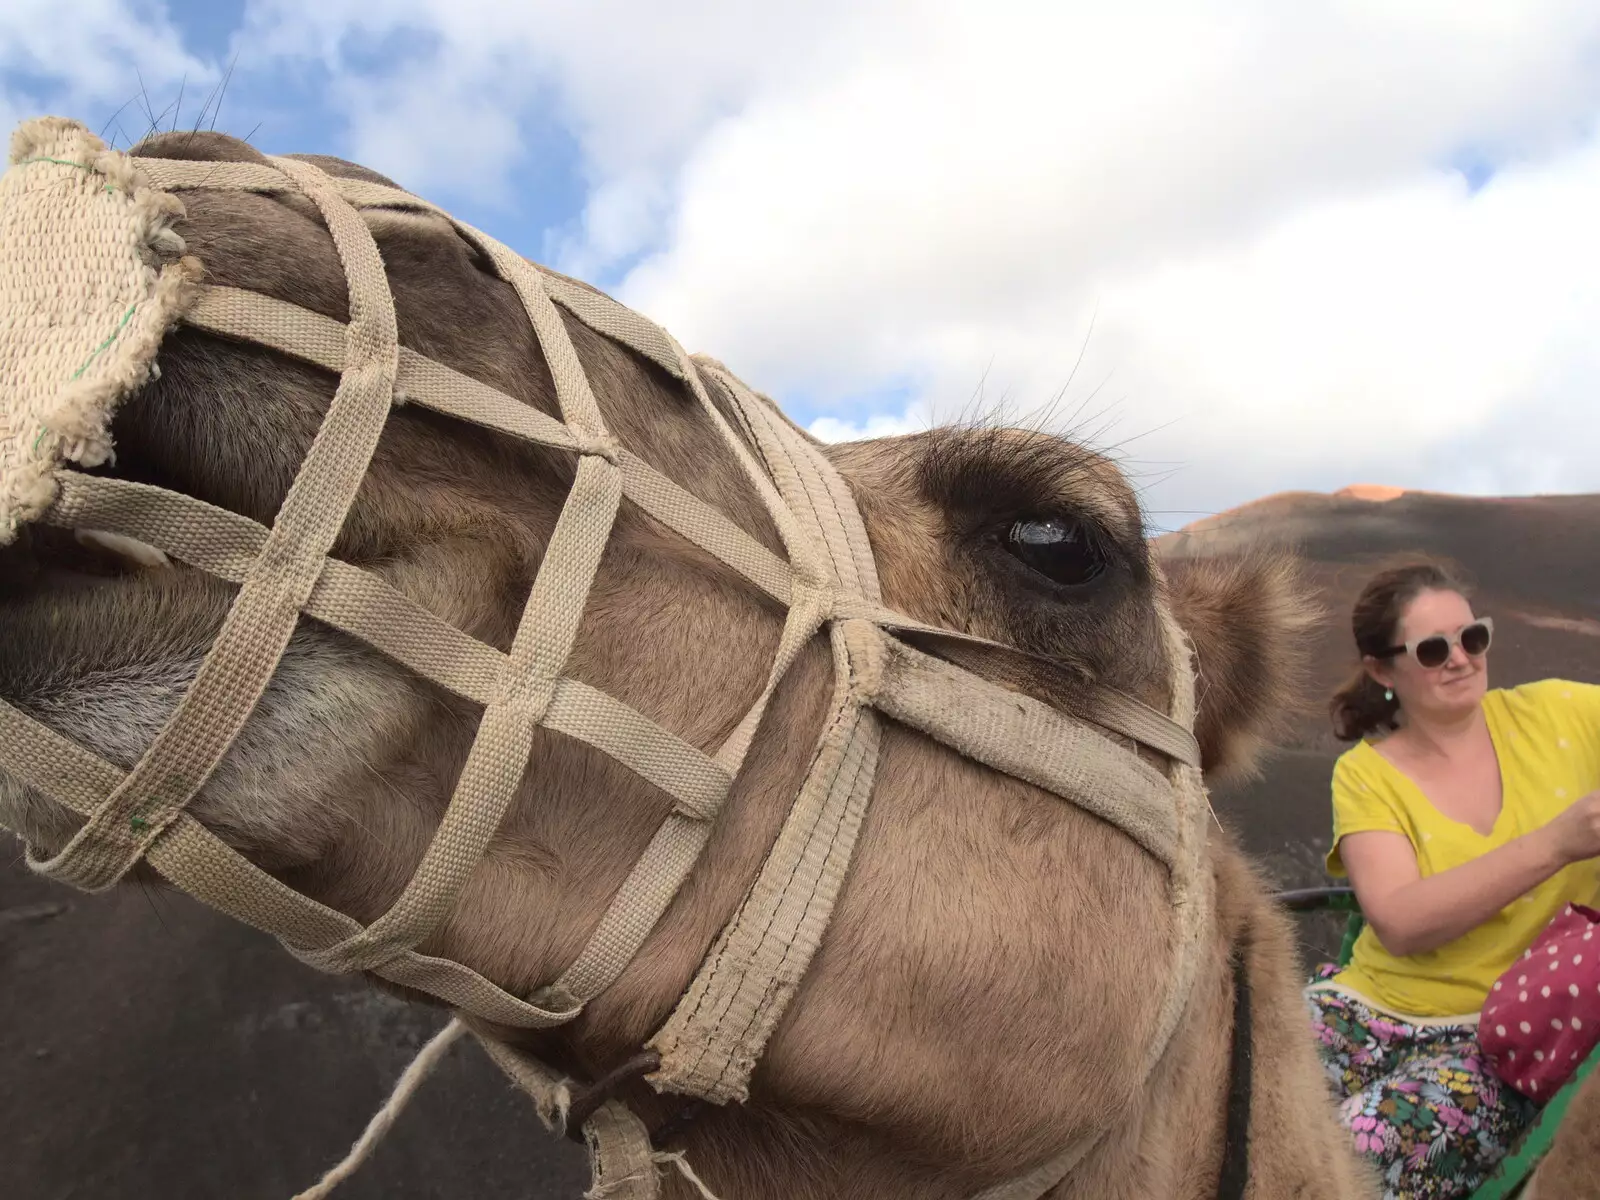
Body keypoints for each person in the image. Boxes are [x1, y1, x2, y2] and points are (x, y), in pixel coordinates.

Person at [1304, 557, 1600, 1199]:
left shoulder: (1563, 715)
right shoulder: (1366, 774)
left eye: (1473, 638)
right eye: (1434, 649)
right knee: (1221, 1096)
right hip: (1368, 1005)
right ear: (1382, 670)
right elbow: (1402, 922)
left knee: (1330, 1166)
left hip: (1500, 1039)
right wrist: (1558, 843)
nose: (1460, 659)